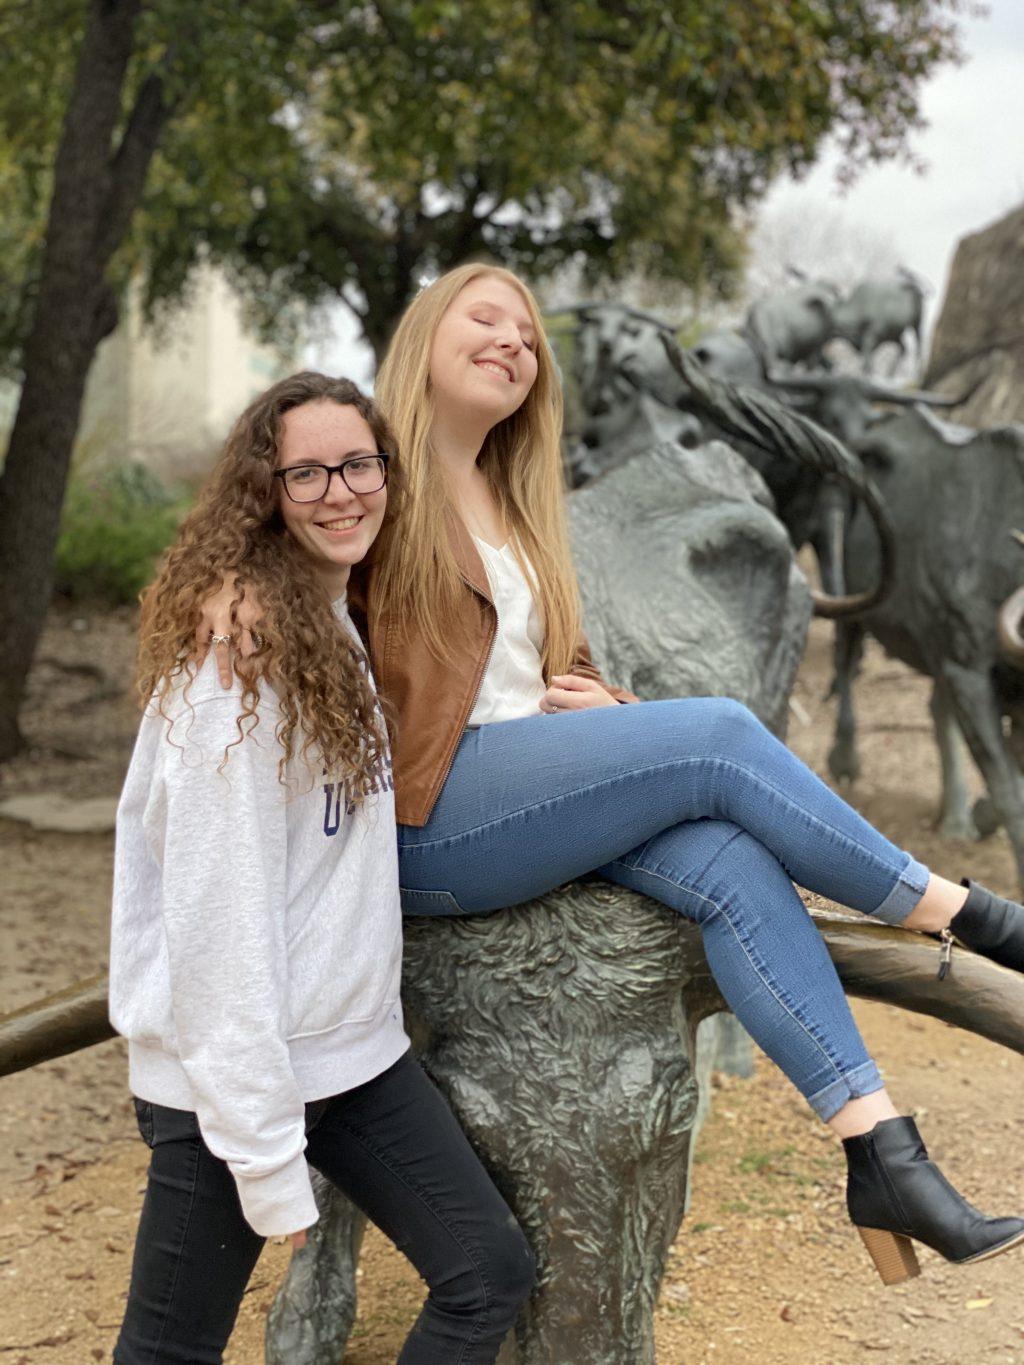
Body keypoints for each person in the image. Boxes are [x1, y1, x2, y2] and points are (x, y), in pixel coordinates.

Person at [200, 265, 1024, 1288]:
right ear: (425, 335)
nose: (513, 339)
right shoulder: (379, 475)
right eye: (485, 317)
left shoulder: (518, 503)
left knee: (727, 863)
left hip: (518, 795)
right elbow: (269, 523)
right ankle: (963, 914)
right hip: (422, 813)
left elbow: (548, 668)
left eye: (528, 333)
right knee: (719, 737)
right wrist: (233, 594)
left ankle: (880, 1150)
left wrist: (606, 707)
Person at [109, 372, 535, 1365]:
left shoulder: (333, 615)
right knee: (168, 1354)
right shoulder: (231, 681)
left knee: (485, 1274)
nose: (341, 491)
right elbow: (219, 926)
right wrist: (262, 1156)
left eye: (359, 464)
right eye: (308, 472)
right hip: (224, 1078)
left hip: (352, 1055)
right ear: (265, 490)